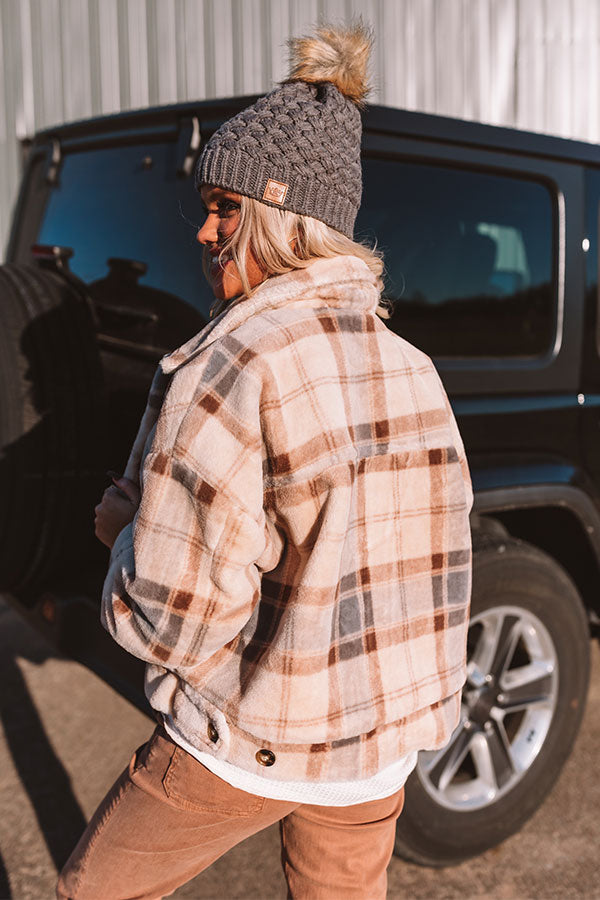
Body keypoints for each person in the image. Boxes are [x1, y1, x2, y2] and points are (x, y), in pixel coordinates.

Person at [58, 22, 472, 900]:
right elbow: (442, 565)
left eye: (226, 209)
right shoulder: (414, 365)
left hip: (252, 740)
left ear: (285, 220)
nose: (203, 232)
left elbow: (176, 621)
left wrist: (122, 533)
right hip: (378, 752)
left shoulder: (236, 361)